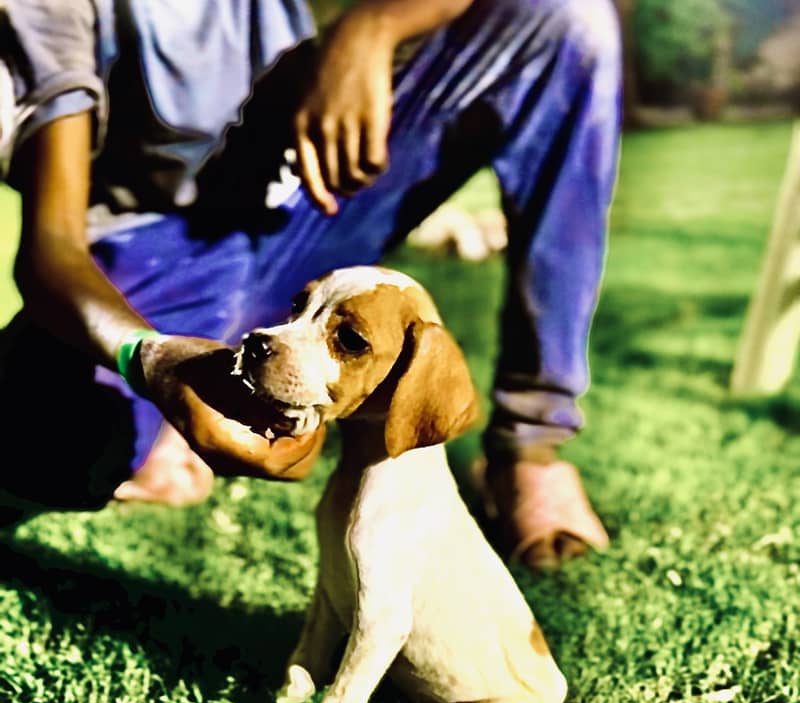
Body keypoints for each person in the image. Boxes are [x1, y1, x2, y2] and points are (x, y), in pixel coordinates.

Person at [0, 0, 621, 569]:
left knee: (564, 16)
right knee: (54, 447)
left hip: (311, 215)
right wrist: (152, 358)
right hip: (160, 258)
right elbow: (51, 250)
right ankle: (164, 420)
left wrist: (371, 27)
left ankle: (530, 449)